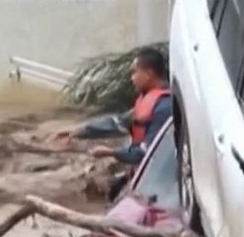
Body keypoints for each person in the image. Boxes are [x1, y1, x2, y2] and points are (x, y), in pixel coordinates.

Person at [57, 47, 172, 200]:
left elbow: (149, 154)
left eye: (134, 72)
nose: (131, 78)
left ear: (149, 74)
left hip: (161, 183)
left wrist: (111, 152)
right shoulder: (148, 101)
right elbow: (116, 123)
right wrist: (78, 132)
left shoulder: (165, 107)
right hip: (142, 173)